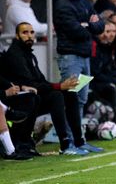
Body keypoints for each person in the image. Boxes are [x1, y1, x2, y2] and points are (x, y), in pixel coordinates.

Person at [3, 22, 98, 155]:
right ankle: (65, 144)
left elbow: (41, 82)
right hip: (19, 100)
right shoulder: (15, 55)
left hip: (33, 96)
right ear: (17, 36)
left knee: (69, 93)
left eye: (31, 32)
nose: (29, 36)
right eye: (25, 33)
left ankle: (79, 141)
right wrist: (59, 86)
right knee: (56, 96)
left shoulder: (29, 54)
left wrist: (62, 86)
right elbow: (30, 85)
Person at [53, 0, 105, 152]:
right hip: (70, 56)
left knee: (81, 99)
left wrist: (88, 25)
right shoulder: (61, 4)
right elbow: (73, 30)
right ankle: (68, 143)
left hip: (84, 56)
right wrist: (89, 25)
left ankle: (79, 140)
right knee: (71, 99)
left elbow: (100, 25)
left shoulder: (83, 2)